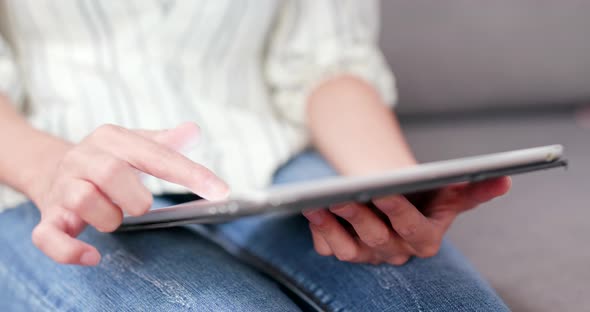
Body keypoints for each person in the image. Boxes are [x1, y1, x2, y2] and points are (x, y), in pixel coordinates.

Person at [0, 1, 512, 311]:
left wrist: (393, 186)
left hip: (272, 165)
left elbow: (326, 61)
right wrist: (50, 172)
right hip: (48, 178)